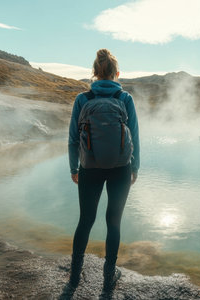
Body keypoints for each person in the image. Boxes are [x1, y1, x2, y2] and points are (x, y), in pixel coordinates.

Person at [67, 49, 140, 291]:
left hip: (89, 166)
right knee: (114, 222)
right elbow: (135, 137)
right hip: (121, 167)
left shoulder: (83, 99)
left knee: (85, 220)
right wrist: (135, 167)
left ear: (94, 73)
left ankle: (74, 275)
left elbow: (73, 139)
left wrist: (73, 167)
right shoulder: (125, 98)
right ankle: (109, 277)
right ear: (116, 73)